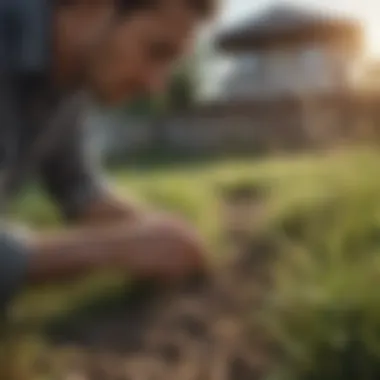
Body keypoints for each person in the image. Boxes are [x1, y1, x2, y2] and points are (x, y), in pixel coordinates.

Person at [0, 0, 215, 310]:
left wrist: (157, 232)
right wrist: (113, 250)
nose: (155, 85)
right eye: (155, 51)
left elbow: (79, 187)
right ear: (92, 6)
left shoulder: (67, 79)